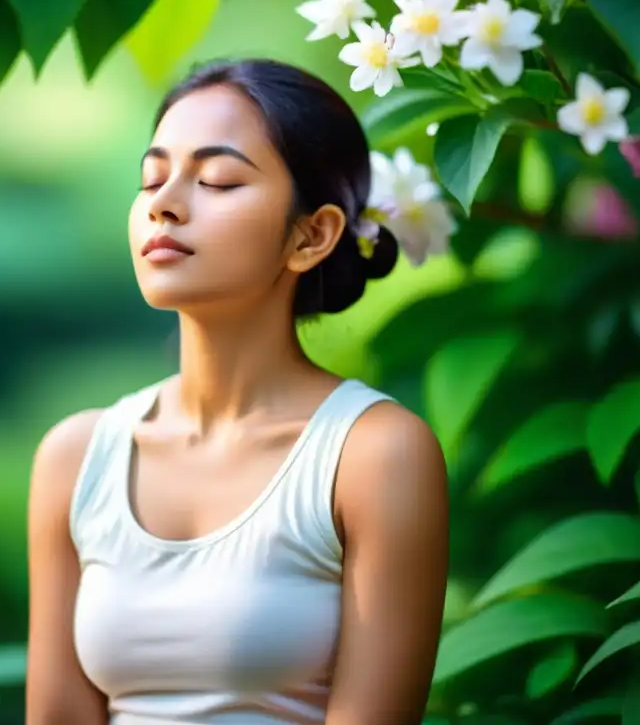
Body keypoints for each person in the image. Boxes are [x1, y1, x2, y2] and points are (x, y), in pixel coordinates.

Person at [25, 58, 450, 725]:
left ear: (312, 235)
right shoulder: (75, 457)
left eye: (218, 179)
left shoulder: (374, 456)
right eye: (152, 177)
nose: (165, 202)